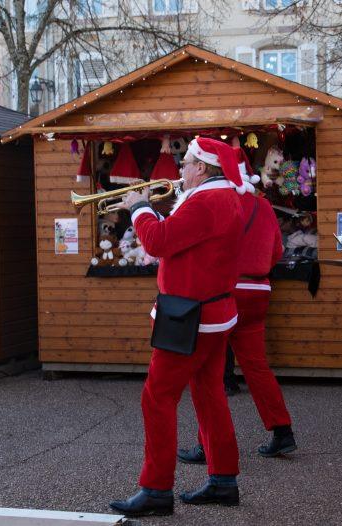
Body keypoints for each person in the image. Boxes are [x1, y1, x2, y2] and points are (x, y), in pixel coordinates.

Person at [109, 137, 248, 517]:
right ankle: (223, 480)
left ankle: (156, 488)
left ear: (201, 168)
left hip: (188, 316)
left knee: (157, 398)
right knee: (209, 396)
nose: (180, 170)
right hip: (212, 313)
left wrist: (139, 208)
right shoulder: (225, 198)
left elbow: (157, 242)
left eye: (184, 163)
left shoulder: (206, 201)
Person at [177, 147, 296, 465]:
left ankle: (208, 445)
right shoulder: (264, 206)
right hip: (258, 291)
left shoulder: (213, 201)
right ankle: (283, 432)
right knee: (256, 365)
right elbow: (276, 252)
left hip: (223, 292)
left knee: (206, 371)